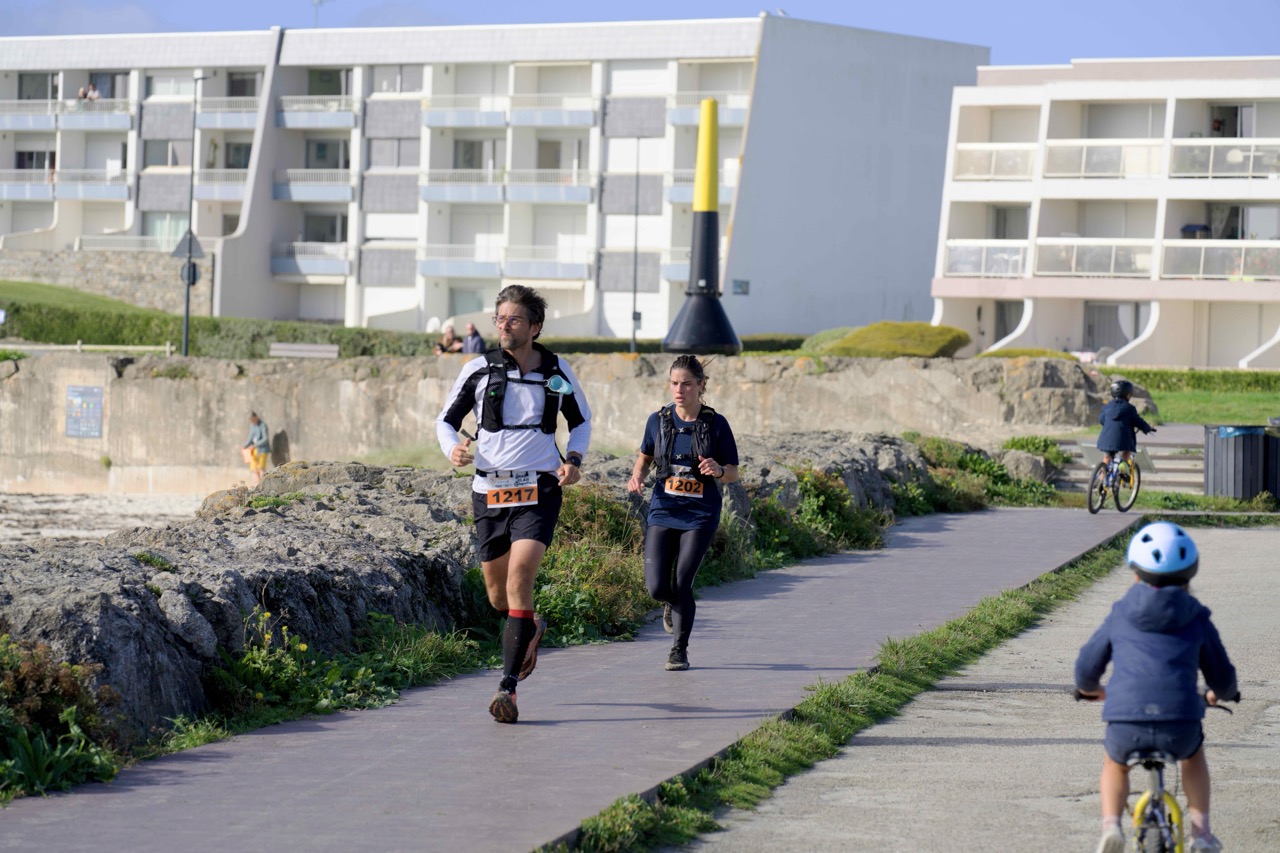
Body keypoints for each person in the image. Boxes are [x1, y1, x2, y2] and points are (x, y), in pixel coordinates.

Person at [436, 284, 591, 723]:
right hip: (489, 491)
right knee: (498, 596)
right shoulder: (477, 369)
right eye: (499, 318)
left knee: (521, 577)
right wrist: (452, 449)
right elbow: (446, 421)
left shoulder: (556, 370)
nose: (504, 326)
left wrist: (574, 460)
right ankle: (531, 625)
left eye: (514, 319)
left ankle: (508, 689)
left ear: (534, 327)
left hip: (539, 489)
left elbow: (580, 422)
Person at [1075, 521, 1239, 853]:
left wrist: (1091, 689)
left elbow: (1087, 667)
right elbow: (1221, 676)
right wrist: (1220, 694)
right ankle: (1201, 834)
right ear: (1189, 576)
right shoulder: (1197, 617)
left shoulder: (1120, 613)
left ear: (1135, 573)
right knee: (1193, 757)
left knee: (1115, 764)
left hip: (1127, 722)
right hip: (1180, 724)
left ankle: (1111, 828)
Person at [626, 355, 738, 672]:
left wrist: (718, 470)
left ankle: (679, 650)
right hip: (664, 509)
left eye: (687, 384)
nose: (679, 390)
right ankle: (669, 602)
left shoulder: (716, 424)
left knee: (683, 580)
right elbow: (645, 456)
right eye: (674, 383)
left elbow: (733, 473)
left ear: (700, 385)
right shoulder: (657, 420)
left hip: (700, 514)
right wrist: (637, 476)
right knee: (656, 588)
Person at [1097, 379, 1155, 485]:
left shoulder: (1107, 407)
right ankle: (1122, 469)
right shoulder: (1129, 409)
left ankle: (1100, 481)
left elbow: (1101, 419)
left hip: (1105, 439)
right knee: (1127, 450)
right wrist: (1147, 428)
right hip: (1123, 440)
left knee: (1107, 457)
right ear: (1128, 395)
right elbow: (1138, 421)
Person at [243, 412, 271, 486]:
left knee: (261, 469)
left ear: (256, 417)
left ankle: (263, 485)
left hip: (263, 450)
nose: (251, 421)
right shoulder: (252, 426)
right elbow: (250, 438)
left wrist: (255, 445)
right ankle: (257, 486)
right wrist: (245, 446)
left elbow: (265, 439)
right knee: (254, 470)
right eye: (250, 420)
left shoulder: (263, 425)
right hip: (254, 451)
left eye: (252, 419)